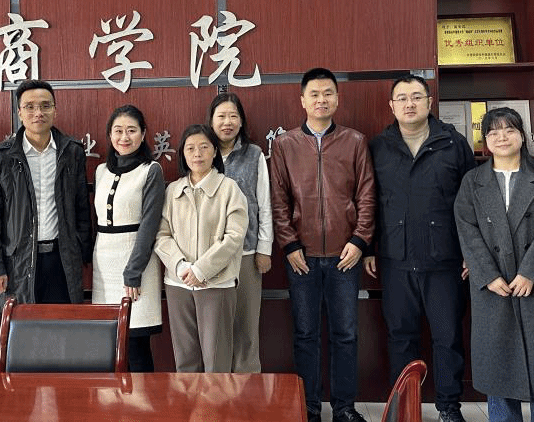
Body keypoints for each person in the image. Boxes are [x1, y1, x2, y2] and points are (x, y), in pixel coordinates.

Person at [364, 73, 475, 422]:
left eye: (416, 97)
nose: (409, 104)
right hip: (395, 258)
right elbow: (368, 200)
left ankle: (449, 407)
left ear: (429, 102)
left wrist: (471, 251)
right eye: (402, 98)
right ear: (391, 106)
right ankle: (405, 408)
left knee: (447, 337)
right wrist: (368, 248)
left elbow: (471, 202)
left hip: (445, 259)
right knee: (400, 337)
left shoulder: (453, 143)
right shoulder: (379, 146)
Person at [454, 107, 534, 422]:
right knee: (498, 365)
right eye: (493, 132)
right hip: (494, 286)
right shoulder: (473, 181)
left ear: (523, 136)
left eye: (509, 130)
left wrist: (531, 273)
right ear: (485, 141)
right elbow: (467, 229)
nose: (502, 137)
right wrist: (487, 275)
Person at [270, 68, 375, 422]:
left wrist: (359, 240)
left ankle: (344, 408)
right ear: (302, 100)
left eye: (328, 93)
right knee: (305, 335)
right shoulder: (285, 144)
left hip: (346, 255)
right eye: (314, 94)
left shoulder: (355, 141)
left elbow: (366, 194)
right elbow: (278, 200)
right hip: (302, 256)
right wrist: (289, 245)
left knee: (346, 334)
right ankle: (309, 407)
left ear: (337, 98)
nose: (321, 100)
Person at [0, 79, 92, 314]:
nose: (38, 113)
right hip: (17, 261)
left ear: (55, 110)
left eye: (45, 106)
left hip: (62, 259)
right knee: (21, 329)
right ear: (19, 112)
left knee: (62, 326)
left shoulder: (72, 152)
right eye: (30, 107)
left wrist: (81, 250)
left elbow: (82, 208)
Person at [155, 124, 247, 372]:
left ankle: (216, 401)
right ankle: (190, 401)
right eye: (190, 148)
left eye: (204, 147)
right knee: (185, 359)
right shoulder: (173, 190)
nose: (197, 154)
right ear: (183, 154)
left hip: (216, 284)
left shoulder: (229, 189)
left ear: (215, 151)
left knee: (217, 360)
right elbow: (162, 235)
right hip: (178, 283)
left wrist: (202, 270)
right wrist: (181, 266)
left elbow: (234, 237)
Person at [92, 105, 165, 372]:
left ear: (143, 134)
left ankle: (144, 398)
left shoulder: (151, 170)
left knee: (136, 345)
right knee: (109, 344)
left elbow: (149, 225)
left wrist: (133, 272)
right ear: (110, 135)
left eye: (131, 131)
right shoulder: (100, 171)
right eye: (118, 131)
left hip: (136, 265)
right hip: (104, 266)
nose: (124, 137)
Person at [207, 92, 272, 373]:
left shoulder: (254, 154)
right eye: (221, 116)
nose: (227, 122)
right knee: (217, 330)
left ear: (242, 121)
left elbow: (264, 203)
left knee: (246, 328)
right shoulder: (202, 153)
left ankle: (248, 389)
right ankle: (219, 390)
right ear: (211, 121)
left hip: (246, 253)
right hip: (209, 256)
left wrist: (264, 248)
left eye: (233, 116)